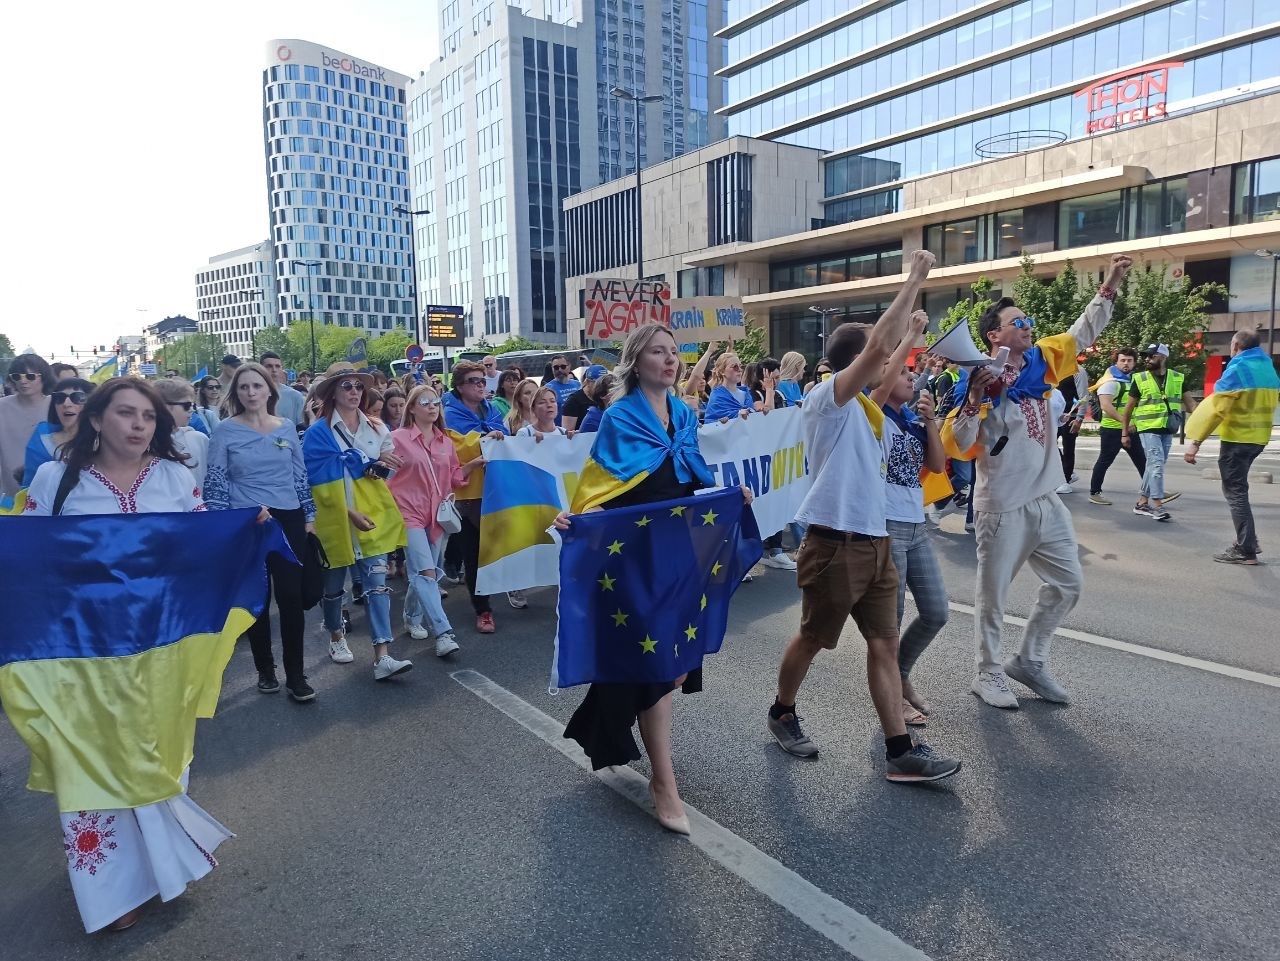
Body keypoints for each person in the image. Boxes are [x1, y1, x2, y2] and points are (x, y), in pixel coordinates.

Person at [24, 378, 232, 933]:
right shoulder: (54, 479)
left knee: (158, 752)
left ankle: (158, 868)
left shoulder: (173, 476)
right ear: (96, 419)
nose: (139, 425)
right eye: (126, 413)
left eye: (148, 416)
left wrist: (242, 531)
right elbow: (26, 555)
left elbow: (200, 542)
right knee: (89, 758)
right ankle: (112, 894)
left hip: (162, 644)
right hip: (81, 647)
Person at [767, 249, 961, 783]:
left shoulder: (868, 408)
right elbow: (880, 347)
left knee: (885, 643)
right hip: (835, 544)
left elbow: (891, 358)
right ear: (859, 361)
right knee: (813, 638)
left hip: (876, 543)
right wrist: (915, 278)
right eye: (881, 358)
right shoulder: (825, 398)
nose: (892, 365)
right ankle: (782, 710)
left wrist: (912, 332)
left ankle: (900, 751)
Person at [555, 322, 744, 834]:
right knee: (659, 666)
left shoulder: (684, 414)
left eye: (672, 352)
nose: (669, 359)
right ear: (635, 362)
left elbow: (691, 481)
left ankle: (605, 725)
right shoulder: (619, 417)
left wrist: (728, 498)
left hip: (678, 554)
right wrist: (577, 521)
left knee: (673, 664)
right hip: (633, 557)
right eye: (657, 352)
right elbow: (599, 490)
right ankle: (665, 781)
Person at [943, 253, 1134, 709]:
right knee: (994, 597)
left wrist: (1110, 282)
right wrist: (974, 397)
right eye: (1018, 321)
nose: (1028, 325)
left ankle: (1029, 660)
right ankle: (987, 673)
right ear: (994, 335)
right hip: (1002, 505)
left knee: (1069, 585)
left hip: (1047, 500)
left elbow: (1082, 331)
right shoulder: (978, 377)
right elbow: (958, 441)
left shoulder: (1042, 362)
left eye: (1027, 320)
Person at [205, 363, 317, 700]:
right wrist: (222, 525)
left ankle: (296, 676)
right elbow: (215, 481)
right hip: (247, 521)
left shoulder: (285, 428)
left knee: (292, 598)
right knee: (257, 600)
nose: (251, 393)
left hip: (289, 518)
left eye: (257, 386)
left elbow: (300, 475)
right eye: (244, 388)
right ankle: (265, 670)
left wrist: (308, 516)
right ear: (236, 394)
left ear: (270, 390)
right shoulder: (224, 431)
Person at [303, 363, 413, 681]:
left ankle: (383, 655)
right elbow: (313, 484)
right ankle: (336, 635)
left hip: (373, 515)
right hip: (335, 520)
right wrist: (348, 512)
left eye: (358, 386)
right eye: (346, 386)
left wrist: (377, 466)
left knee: (377, 586)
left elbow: (385, 473)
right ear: (332, 393)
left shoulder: (377, 428)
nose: (354, 391)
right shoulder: (317, 434)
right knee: (334, 587)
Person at [869, 313, 949, 727]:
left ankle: (900, 676)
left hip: (915, 525)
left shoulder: (911, 423)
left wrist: (931, 419)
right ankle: (894, 695)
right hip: (886, 527)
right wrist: (912, 335)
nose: (911, 377)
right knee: (891, 622)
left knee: (936, 612)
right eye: (903, 371)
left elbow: (937, 466)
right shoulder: (874, 414)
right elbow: (882, 386)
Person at [1184, 329, 1279, 565]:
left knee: (1236, 493)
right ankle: (1249, 541)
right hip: (1258, 439)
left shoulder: (1237, 369)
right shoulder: (1269, 369)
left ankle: (1246, 549)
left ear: (1236, 345)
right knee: (1240, 490)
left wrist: (1195, 442)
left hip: (1237, 439)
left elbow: (1216, 410)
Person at [388, 384, 471, 655]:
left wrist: (475, 463)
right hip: (407, 512)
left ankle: (412, 617)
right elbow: (383, 476)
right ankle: (444, 633)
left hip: (437, 515)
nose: (432, 406)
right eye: (425, 402)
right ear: (411, 408)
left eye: (435, 401)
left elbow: (455, 478)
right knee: (426, 572)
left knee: (424, 573)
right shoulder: (396, 438)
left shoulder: (445, 441)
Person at [442, 359, 509, 633]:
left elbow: (506, 436)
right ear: (459, 386)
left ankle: (494, 593)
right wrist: (486, 437)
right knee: (473, 553)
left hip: (495, 489)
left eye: (483, 380)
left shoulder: (491, 410)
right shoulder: (448, 414)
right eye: (475, 381)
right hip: (467, 493)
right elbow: (456, 449)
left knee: (493, 548)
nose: (482, 385)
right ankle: (483, 610)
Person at [1122, 344, 1196, 522]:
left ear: (1162, 357)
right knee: (1156, 466)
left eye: (1150, 356)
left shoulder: (1177, 378)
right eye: (1145, 356)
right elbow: (1129, 408)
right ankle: (1157, 506)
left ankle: (1141, 503)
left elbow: (1191, 404)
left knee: (1153, 466)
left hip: (1168, 428)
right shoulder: (1139, 379)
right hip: (1148, 428)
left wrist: (1206, 418)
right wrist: (1124, 433)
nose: (1146, 359)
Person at [1087, 348, 1148, 505]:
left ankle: (1154, 489)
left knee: (1142, 460)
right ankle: (1095, 492)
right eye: (1123, 360)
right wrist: (1124, 423)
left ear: (1134, 363)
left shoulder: (1131, 380)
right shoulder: (1110, 381)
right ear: (1116, 361)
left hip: (1129, 428)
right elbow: (1106, 406)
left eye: (1129, 360)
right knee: (1105, 460)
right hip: (1112, 429)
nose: (1126, 363)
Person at [22, 377, 93, 487]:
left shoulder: (105, 439)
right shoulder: (41, 442)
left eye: (77, 397)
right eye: (59, 398)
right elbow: (30, 487)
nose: (66, 403)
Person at [1, 354, 53, 498]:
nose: (23, 381)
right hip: (11, 491)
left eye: (30, 376)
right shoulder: (2, 407)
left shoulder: (57, 404)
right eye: (17, 376)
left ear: (43, 377)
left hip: (50, 488)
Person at [153, 378, 208, 489]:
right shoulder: (145, 444)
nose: (192, 410)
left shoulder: (199, 439)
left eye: (193, 405)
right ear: (164, 406)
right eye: (187, 405)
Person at [1054, 368, 1089, 494]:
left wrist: (1079, 418)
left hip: (1070, 415)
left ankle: (1066, 480)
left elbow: (1083, 395)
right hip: (1054, 415)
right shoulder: (1053, 367)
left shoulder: (1077, 371)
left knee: (1068, 447)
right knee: (1049, 444)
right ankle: (1068, 471)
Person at [704, 352, 758, 421]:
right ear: (722, 371)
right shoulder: (717, 396)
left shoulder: (746, 394)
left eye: (740, 366)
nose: (740, 370)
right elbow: (710, 423)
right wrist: (737, 414)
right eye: (735, 367)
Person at [259, 351, 305, 426]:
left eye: (277, 366)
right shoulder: (252, 395)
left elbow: (301, 427)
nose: (274, 370)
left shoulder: (295, 396)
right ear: (260, 368)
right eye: (269, 366)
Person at [562, 364, 606, 430]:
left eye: (604, 383)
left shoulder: (605, 397)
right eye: (598, 384)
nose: (602, 387)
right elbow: (567, 433)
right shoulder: (574, 401)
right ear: (588, 382)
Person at [545, 355, 581, 424]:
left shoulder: (578, 385)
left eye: (563, 367)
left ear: (569, 366)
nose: (560, 370)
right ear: (552, 369)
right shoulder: (547, 388)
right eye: (556, 367)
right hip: (559, 431)